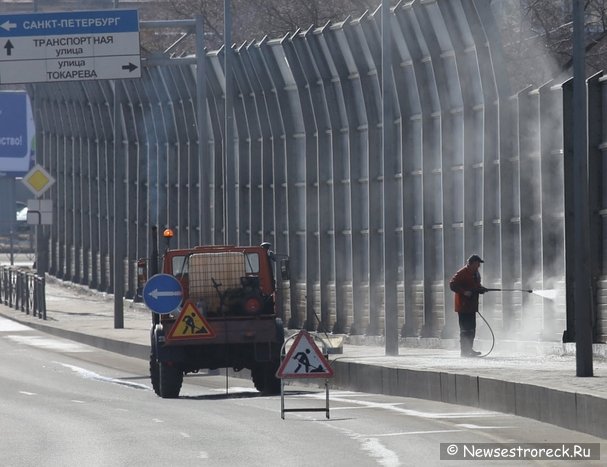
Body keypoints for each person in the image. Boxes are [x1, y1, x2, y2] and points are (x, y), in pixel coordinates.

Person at [449, 254, 488, 357]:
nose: (479, 266)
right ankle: (464, 351)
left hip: (472, 306)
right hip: (462, 307)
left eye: (479, 264)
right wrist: (464, 292)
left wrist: (481, 289)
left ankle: (469, 349)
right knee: (465, 329)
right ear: (471, 263)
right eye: (477, 264)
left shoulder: (476, 274)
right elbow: (452, 284)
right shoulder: (462, 273)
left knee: (472, 329)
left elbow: (476, 286)